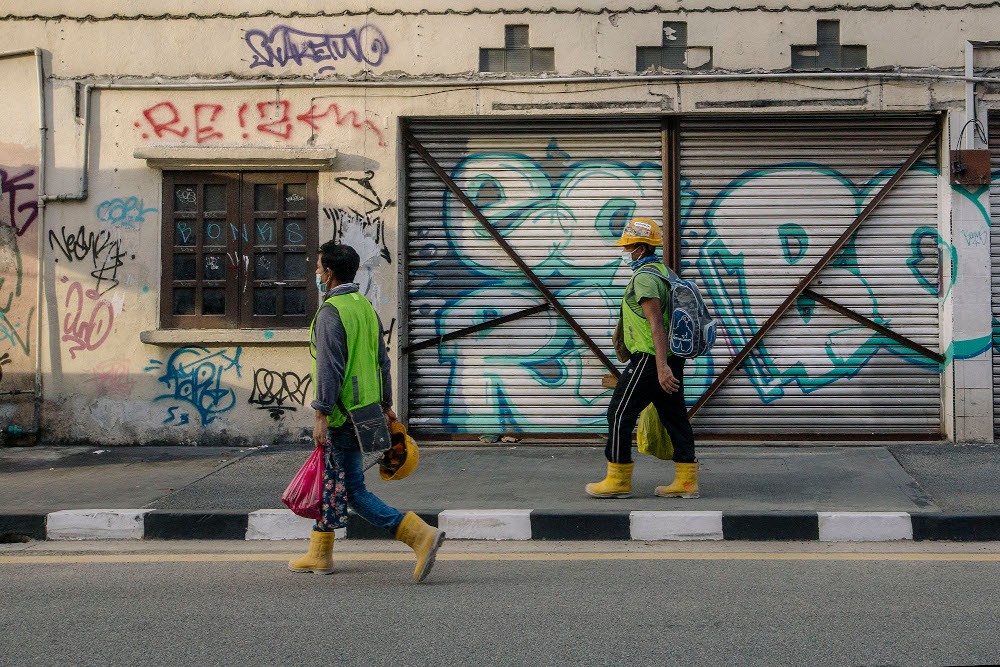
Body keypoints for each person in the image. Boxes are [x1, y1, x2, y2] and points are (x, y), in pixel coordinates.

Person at [288, 241, 445, 581]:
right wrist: (387, 405)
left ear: (329, 273)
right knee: (334, 480)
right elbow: (382, 360)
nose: (315, 272)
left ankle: (417, 534)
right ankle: (320, 554)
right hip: (368, 412)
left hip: (343, 416)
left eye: (318, 267)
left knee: (350, 490)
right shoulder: (364, 306)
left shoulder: (332, 312)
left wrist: (321, 413)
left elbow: (330, 367)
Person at [585, 217, 700, 499]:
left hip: (651, 358)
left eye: (628, 248)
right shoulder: (664, 271)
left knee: (620, 412)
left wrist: (660, 367)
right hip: (670, 357)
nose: (626, 253)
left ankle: (618, 479)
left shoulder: (646, 278)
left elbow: (656, 324)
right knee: (674, 417)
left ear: (639, 246)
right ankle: (687, 481)